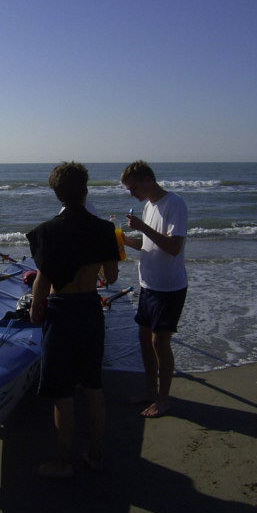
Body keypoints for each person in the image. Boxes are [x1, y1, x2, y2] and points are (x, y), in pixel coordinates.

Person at [26, 162, 119, 478]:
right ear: (86, 189)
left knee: (62, 392)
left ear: (57, 194)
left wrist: (36, 307)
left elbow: (42, 279)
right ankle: (96, 454)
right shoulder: (104, 230)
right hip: (89, 309)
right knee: (93, 385)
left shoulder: (47, 232)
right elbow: (112, 276)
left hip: (61, 310)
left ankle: (64, 462)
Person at [121, 160, 188, 418]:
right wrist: (126, 240)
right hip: (148, 284)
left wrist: (142, 227)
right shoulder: (149, 206)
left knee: (160, 342)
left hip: (169, 287)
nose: (131, 193)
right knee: (144, 341)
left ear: (149, 180)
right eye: (129, 189)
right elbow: (150, 244)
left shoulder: (175, 204)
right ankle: (150, 390)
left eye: (134, 187)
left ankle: (163, 399)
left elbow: (173, 247)